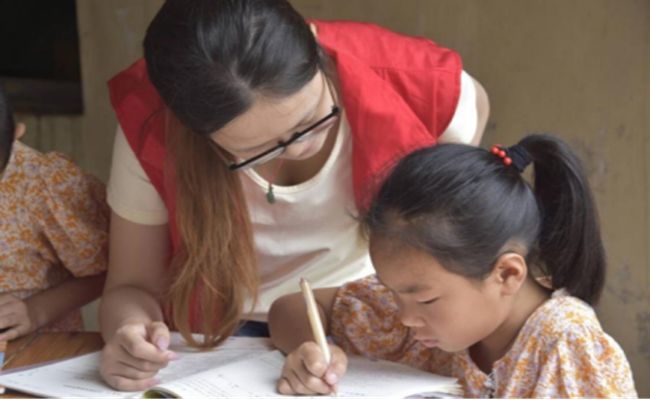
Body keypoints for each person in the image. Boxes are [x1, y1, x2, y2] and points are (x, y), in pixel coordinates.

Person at [100, 0, 489, 390]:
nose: (299, 148)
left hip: (365, 319)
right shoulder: (152, 125)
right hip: (221, 337)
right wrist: (130, 332)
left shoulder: (416, 83)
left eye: (312, 120)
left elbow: (450, 235)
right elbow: (131, 286)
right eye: (259, 150)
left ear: (316, 53)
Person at [269, 134, 638, 398]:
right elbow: (288, 310)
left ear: (506, 274)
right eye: (393, 293)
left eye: (425, 300)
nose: (404, 317)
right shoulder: (416, 312)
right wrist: (314, 353)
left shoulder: (565, 347)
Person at [0, 86, 108, 341]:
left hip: (39, 349)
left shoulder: (45, 185)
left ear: (16, 135)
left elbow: (114, 271)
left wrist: (35, 312)